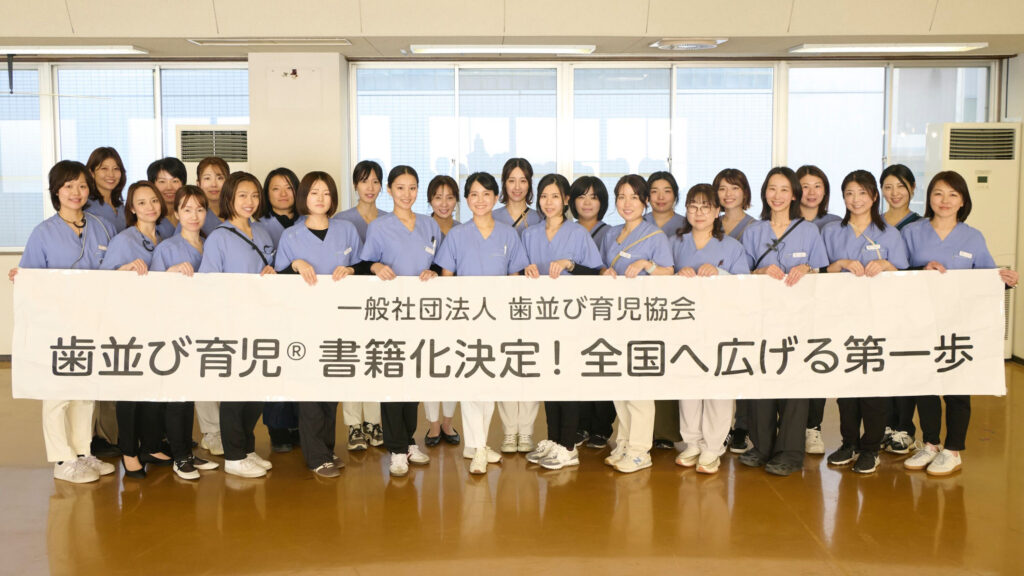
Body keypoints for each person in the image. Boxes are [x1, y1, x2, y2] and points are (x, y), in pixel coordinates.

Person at [901, 170, 1017, 475]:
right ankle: (930, 444)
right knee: (925, 385)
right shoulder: (912, 232)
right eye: (938, 193)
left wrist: (1003, 279)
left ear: (963, 201)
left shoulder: (973, 237)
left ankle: (952, 450)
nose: (945, 200)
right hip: (921, 321)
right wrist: (920, 269)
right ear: (929, 197)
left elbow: (986, 276)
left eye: (953, 194)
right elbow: (897, 273)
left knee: (957, 387)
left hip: (959, 324)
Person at [9, 160, 116, 483]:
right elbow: (30, 277)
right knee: (57, 393)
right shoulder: (43, 233)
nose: (76, 192)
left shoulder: (102, 227)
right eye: (68, 186)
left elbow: (113, 271)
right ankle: (62, 459)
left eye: (82, 185)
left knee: (85, 390)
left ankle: (83, 452)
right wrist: (22, 278)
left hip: (93, 322)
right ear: (56, 191)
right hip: (56, 326)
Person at [435, 171, 529, 474]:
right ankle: (476, 448)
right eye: (474, 194)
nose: (480, 200)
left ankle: (479, 443)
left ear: (496, 197)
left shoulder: (508, 235)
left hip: (497, 321)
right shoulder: (457, 235)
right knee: (470, 384)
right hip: (465, 320)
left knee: (489, 383)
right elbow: (446, 278)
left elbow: (515, 279)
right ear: (466, 199)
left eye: (486, 194)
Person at [739, 166, 827, 476]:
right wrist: (761, 271)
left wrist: (808, 269)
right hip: (762, 318)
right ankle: (762, 446)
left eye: (784, 189)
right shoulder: (754, 231)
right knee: (762, 378)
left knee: (794, 384)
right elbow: (741, 274)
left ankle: (790, 451)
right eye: (772, 189)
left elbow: (823, 271)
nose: (777, 195)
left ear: (794, 195)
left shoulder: (809, 231)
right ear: (765, 193)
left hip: (799, 320)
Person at [275, 171, 362, 478]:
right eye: (314, 192)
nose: (321, 198)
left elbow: (363, 266)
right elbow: (278, 279)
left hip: (339, 322)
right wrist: (295, 264)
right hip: (304, 323)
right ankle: (316, 457)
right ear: (304, 197)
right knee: (310, 390)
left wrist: (351, 270)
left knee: (331, 388)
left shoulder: (347, 230)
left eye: (326, 192)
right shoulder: (291, 236)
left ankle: (327, 448)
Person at [821, 170, 909, 474]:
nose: (855, 199)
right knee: (846, 387)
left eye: (862, 193)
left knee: (873, 386)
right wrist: (841, 263)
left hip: (878, 319)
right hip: (840, 318)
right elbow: (820, 272)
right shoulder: (831, 232)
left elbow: (904, 275)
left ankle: (871, 448)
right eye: (849, 193)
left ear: (874, 196)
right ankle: (849, 443)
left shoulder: (889, 234)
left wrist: (886, 264)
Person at [521, 174, 603, 470]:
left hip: (571, 319)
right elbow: (518, 271)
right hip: (541, 318)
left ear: (566, 200)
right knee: (549, 380)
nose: (549, 202)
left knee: (567, 380)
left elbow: (596, 274)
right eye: (544, 196)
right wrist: (526, 270)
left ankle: (568, 446)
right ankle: (554, 439)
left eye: (555, 196)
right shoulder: (529, 235)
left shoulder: (578, 233)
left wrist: (570, 264)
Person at [198, 171, 277, 478]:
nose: (249, 201)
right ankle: (233, 456)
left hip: (263, 322)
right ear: (229, 198)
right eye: (242, 195)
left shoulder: (263, 233)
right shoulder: (219, 237)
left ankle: (246, 448)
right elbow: (209, 284)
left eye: (255, 195)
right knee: (235, 392)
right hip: (233, 324)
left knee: (256, 391)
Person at [362, 166, 440, 477]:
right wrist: (376, 267)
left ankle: (408, 441)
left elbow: (438, 263)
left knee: (414, 379)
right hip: (390, 314)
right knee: (393, 378)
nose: (407, 194)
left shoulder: (429, 224)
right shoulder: (379, 227)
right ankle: (395, 449)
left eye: (412, 188)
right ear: (389, 190)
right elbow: (365, 263)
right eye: (400, 188)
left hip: (421, 314)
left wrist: (433, 271)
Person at [671, 184, 750, 474]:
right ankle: (692, 442)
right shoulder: (675, 243)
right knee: (689, 384)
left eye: (706, 207)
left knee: (718, 385)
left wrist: (720, 272)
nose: (699, 213)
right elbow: (661, 277)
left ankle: (713, 447)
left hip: (721, 325)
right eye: (693, 206)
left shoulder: (732, 247)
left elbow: (746, 286)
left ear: (717, 211)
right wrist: (676, 275)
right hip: (685, 325)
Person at [598, 174, 674, 473]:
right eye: (621, 197)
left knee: (640, 386)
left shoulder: (655, 236)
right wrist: (604, 272)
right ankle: (625, 442)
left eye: (633, 197)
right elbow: (602, 266)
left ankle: (641, 451)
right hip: (615, 319)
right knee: (620, 384)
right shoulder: (611, 234)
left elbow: (669, 272)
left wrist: (646, 265)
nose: (626, 203)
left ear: (645, 201)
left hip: (643, 321)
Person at [100, 181, 173, 478]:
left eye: (154, 200)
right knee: (131, 389)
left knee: (155, 386)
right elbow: (104, 279)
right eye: (141, 202)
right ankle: (129, 451)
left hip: (161, 322)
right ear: (131, 208)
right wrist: (124, 269)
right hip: (131, 323)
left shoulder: (166, 235)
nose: (150, 207)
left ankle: (151, 445)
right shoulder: (124, 240)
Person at [150, 185, 220, 480]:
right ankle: (180, 456)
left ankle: (189, 453)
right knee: (177, 394)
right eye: (187, 209)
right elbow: (152, 291)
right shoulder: (167, 248)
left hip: (205, 328)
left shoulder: (211, 243)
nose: (194, 215)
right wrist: (170, 273)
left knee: (193, 392)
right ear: (176, 213)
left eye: (200, 209)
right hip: (176, 329)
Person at [332, 160, 386, 449]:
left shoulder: (390, 219)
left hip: (381, 302)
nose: (370, 187)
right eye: (364, 181)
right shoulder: (341, 221)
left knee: (376, 359)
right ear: (355, 185)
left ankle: (374, 422)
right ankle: (354, 425)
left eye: (375, 181)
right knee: (352, 359)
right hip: (349, 302)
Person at [796, 165, 842, 455]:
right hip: (790, 306)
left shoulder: (836, 223)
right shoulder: (783, 221)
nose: (811, 192)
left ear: (825, 191)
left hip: (825, 305)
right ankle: (789, 425)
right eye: (805, 186)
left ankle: (813, 427)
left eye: (817, 186)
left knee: (817, 362)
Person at [568, 175, 616, 448]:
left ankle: (601, 427)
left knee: (602, 364)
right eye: (581, 196)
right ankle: (581, 425)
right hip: (572, 310)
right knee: (577, 367)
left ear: (602, 202)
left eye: (594, 197)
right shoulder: (566, 230)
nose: (587, 203)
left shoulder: (611, 233)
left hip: (602, 310)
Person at [879, 164, 923, 454]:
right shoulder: (874, 224)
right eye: (888, 187)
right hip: (879, 305)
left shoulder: (922, 225)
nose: (894, 193)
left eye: (901, 186)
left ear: (912, 188)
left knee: (905, 363)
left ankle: (905, 428)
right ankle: (885, 424)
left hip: (909, 305)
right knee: (881, 362)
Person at [259, 167, 302, 452]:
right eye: (276, 188)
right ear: (267, 194)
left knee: (300, 361)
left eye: (288, 187)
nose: (283, 194)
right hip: (272, 307)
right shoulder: (258, 225)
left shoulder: (309, 221)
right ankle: (277, 427)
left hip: (303, 306)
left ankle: (298, 422)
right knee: (276, 364)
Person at [645, 171, 686, 450]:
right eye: (654, 191)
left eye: (667, 191)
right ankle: (641, 432)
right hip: (643, 307)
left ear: (676, 195)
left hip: (676, 306)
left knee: (671, 365)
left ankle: (667, 432)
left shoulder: (687, 224)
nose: (661, 197)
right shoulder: (637, 224)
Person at [423, 174, 460, 446]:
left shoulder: (464, 230)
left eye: (449, 197)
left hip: (458, 309)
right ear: (430, 200)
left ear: (457, 200)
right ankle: (433, 424)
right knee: (429, 364)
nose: (444, 203)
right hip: (427, 309)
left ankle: (448, 422)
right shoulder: (420, 228)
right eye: (438, 197)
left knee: (454, 364)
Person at [493, 158, 542, 235]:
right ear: (504, 183)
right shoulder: (492, 218)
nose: (517, 187)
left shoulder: (540, 219)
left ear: (529, 184)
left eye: (523, 181)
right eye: (512, 181)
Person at [84, 147, 127, 233]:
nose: (111, 174)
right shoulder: (86, 207)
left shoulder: (121, 207)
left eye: (116, 169)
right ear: (91, 173)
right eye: (104, 168)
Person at [147, 156, 188, 239]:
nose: (169, 188)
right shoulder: (148, 215)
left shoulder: (190, 212)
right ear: (152, 185)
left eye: (175, 181)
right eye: (162, 181)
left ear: (183, 183)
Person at [195, 156, 229, 236]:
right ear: (198, 184)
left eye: (220, 178)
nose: (214, 184)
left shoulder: (237, 211)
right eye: (207, 178)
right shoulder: (191, 214)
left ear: (228, 182)